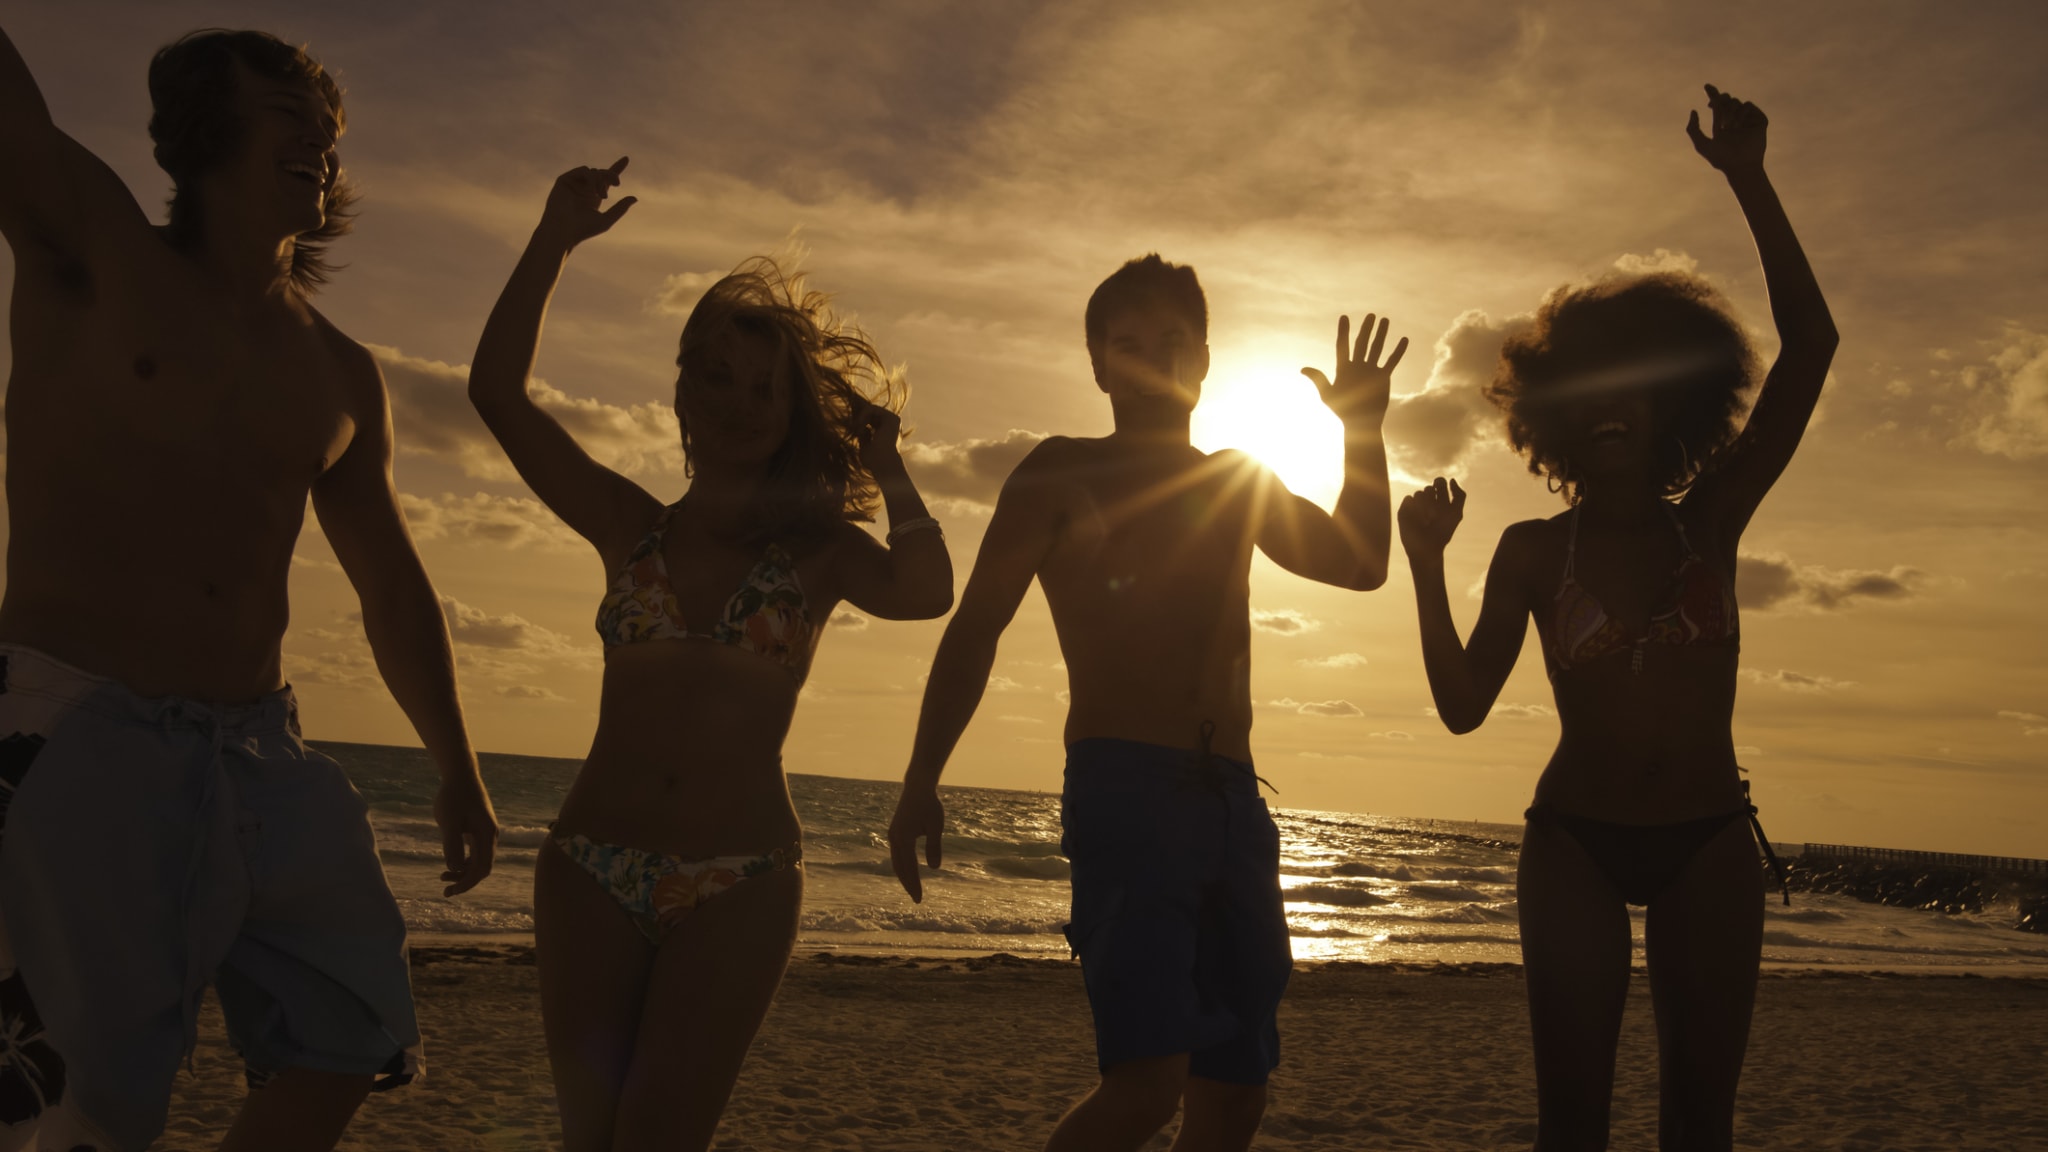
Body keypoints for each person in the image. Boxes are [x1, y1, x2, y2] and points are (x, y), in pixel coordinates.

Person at [0, 27, 500, 1152]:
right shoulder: (94, 249)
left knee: (353, 1025)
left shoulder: (336, 368)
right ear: (203, 130)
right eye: (288, 115)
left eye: (327, 132)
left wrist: (458, 765)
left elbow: (392, 587)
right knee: (80, 1105)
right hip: (78, 725)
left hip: (262, 755)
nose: (319, 145)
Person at [467, 156, 953, 1151]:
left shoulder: (817, 555)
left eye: (763, 388)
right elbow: (496, 395)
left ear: (790, 414)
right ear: (680, 391)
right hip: (588, 867)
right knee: (588, 1138)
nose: (738, 402)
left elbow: (928, 589)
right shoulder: (625, 524)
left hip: (742, 877)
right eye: (717, 377)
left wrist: (890, 466)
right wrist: (550, 243)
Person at [1397, 86, 1836, 1151]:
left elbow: (1811, 346)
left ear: (1668, 403)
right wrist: (1421, 567)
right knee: (1572, 1129)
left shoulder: (1715, 519)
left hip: (1708, 841)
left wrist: (1747, 177)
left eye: (1631, 386)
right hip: (1573, 846)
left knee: (1699, 1124)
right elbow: (1461, 709)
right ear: (1552, 409)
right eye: (1585, 386)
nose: (1606, 405)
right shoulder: (1533, 552)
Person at [888, 254, 1406, 1152]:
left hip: (1235, 797)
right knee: (1146, 1084)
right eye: (1127, 345)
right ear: (1096, 365)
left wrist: (1362, 431)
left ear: (1204, 360)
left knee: (1237, 1089)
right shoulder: (1058, 472)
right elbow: (976, 628)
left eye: (1172, 342)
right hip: (1126, 787)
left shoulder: (1237, 477)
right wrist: (920, 778)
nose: (1152, 361)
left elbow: (1359, 562)